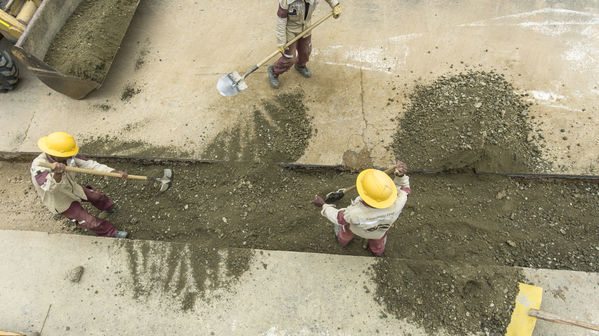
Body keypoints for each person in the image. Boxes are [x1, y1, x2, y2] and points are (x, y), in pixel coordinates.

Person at [30, 132, 129, 238]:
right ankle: (111, 233)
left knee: (96, 196)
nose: (70, 156)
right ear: (55, 155)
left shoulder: (68, 156)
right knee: (87, 220)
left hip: (72, 188)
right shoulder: (38, 167)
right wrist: (57, 174)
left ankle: (109, 208)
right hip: (61, 200)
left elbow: (89, 164)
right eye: (66, 155)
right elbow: (50, 188)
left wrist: (112, 172)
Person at [312, 161, 411, 256]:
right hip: (379, 231)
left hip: (357, 229)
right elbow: (404, 188)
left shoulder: (354, 213)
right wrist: (401, 176)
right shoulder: (399, 201)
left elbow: (338, 217)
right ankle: (377, 251)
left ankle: (343, 241)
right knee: (378, 241)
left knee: (346, 230)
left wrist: (324, 206)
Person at [267, 0, 342, 89]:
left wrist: (335, 5)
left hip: (306, 27)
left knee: (306, 51)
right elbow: (281, 21)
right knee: (289, 58)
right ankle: (274, 71)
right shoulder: (286, 1)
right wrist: (281, 42)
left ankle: (300, 65)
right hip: (290, 29)